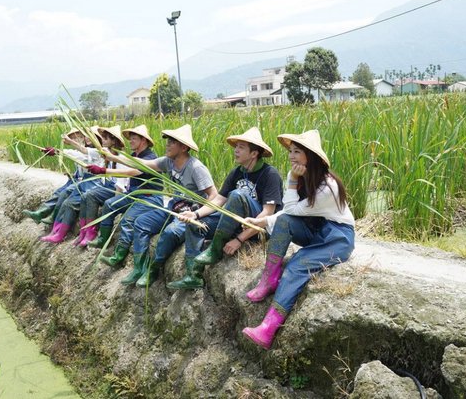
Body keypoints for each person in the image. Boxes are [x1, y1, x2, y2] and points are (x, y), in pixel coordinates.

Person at [241, 130, 355, 350]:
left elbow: (292, 208)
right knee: (283, 223)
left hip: (337, 237)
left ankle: (268, 327)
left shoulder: (327, 187)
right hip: (316, 228)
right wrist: (260, 222)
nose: (291, 156)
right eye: (290, 151)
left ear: (311, 157)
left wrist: (292, 180)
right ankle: (269, 279)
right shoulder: (300, 178)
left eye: (297, 152)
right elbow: (290, 215)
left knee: (296, 266)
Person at [99, 125, 217, 288]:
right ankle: (140, 268)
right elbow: (142, 164)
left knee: (170, 232)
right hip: (173, 208)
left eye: (172, 142)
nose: (167, 145)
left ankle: (154, 269)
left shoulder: (196, 168)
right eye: (167, 141)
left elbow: (214, 196)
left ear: (183, 147)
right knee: (140, 223)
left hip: (190, 213)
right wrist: (114, 158)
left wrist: (197, 214)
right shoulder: (168, 162)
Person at [167, 127, 283, 290]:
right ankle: (193, 275)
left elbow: (268, 213)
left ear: (254, 153)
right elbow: (219, 200)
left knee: (236, 195)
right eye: (236, 146)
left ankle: (215, 248)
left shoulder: (270, 174)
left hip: (258, 229)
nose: (236, 150)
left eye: (241, 147)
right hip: (233, 223)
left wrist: (239, 239)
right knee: (194, 224)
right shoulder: (237, 172)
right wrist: (195, 214)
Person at [39, 126, 121, 244]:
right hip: (90, 183)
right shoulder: (104, 152)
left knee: (77, 198)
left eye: (105, 138)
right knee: (68, 197)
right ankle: (74, 233)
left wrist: (64, 146)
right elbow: (80, 151)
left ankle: (81, 233)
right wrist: (58, 151)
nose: (87, 138)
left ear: (113, 141)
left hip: (96, 183)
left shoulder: (103, 153)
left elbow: (81, 152)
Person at [82, 125, 158, 248]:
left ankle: (120, 252)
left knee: (127, 220)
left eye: (133, 138)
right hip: (133, 194)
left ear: (143, 140)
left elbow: (130, 172)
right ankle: (103, 240)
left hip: (147, 197)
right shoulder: (133, 155)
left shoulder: (150, 158)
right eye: (130, 138)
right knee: (109, 204)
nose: (130, 141)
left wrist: (103, 170)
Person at [22, 127, 93, 225]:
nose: (76, 140)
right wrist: (73, 174)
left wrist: (56, 151)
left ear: (83, 138)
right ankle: (41, 212)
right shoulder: (80, 151)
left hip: (87, 183)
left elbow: (77, 156)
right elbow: (77, 159)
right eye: (73, 139)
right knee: (58, 192)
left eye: (79, 137)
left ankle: (53, 217)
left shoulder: (91, 152)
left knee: (65, 193)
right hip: (76, 180)